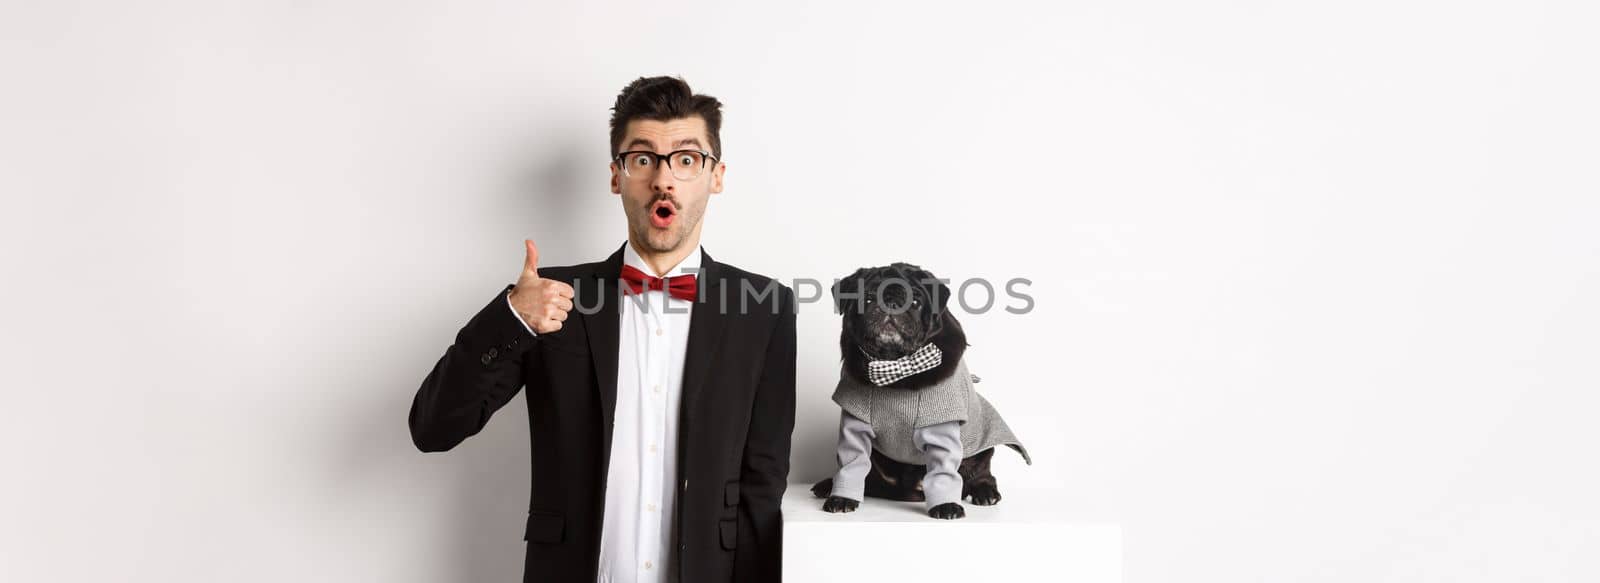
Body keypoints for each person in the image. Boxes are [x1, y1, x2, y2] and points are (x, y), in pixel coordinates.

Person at [408, 76, 796, 583]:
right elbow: (433, 428)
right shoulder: (548, 299)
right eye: (642, 159)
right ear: (616, 177)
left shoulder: (763, 309)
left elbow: (762, 490)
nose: (663, 179)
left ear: (716, 176)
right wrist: (511, 318)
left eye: (686, 159)